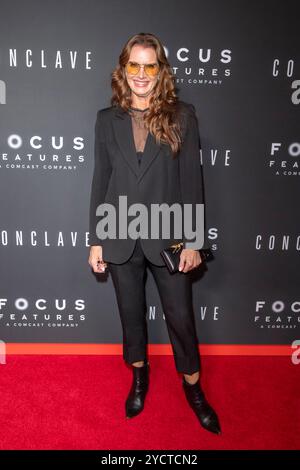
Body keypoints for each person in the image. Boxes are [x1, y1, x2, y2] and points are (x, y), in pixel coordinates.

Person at [88, 32, 221, 435]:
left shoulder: (182, 114)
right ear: (123, 69)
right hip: (120, 233)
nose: (141, 74)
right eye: (134, 65)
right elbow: (101, 181)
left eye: (150, 66)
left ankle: (194, 389)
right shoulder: (105, 119)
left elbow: (191, 181)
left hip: (169, 235)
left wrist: (195, 241)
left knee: (181, 318)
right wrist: (96, 238)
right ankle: (140, 377)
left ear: (160, 70)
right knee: (131, 317)